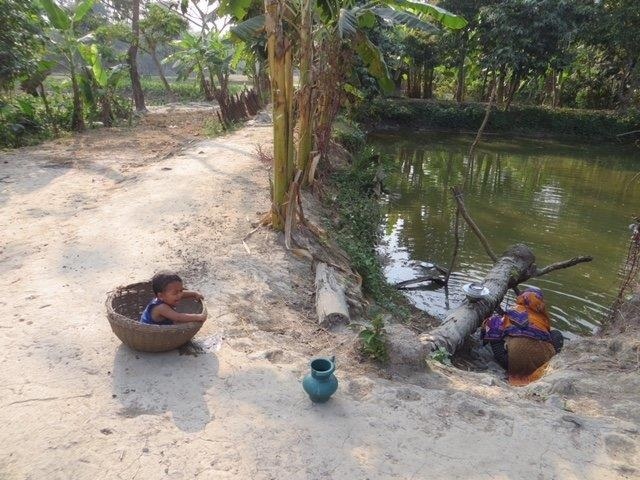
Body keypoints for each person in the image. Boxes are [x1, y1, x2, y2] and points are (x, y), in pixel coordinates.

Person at [481, 287, 563, 385]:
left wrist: (488, 324)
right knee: (556, 334)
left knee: (494, 323)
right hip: (541, 364)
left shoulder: (512, 311)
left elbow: (492, 325)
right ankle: (551, 361)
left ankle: (512, 362)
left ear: (521, 298)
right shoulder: (543, 317)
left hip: (509, 364)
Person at [140, 271, 207, 325]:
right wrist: (198, 317)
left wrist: (194, 294)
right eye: (175, 293)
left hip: (162, 323)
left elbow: (182, 294)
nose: (180, 295)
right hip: (152, 332)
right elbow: (178, 317)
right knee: (179, 321)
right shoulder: (161, 307)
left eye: (181, 290)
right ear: (160, 296)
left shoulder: (166, 297)